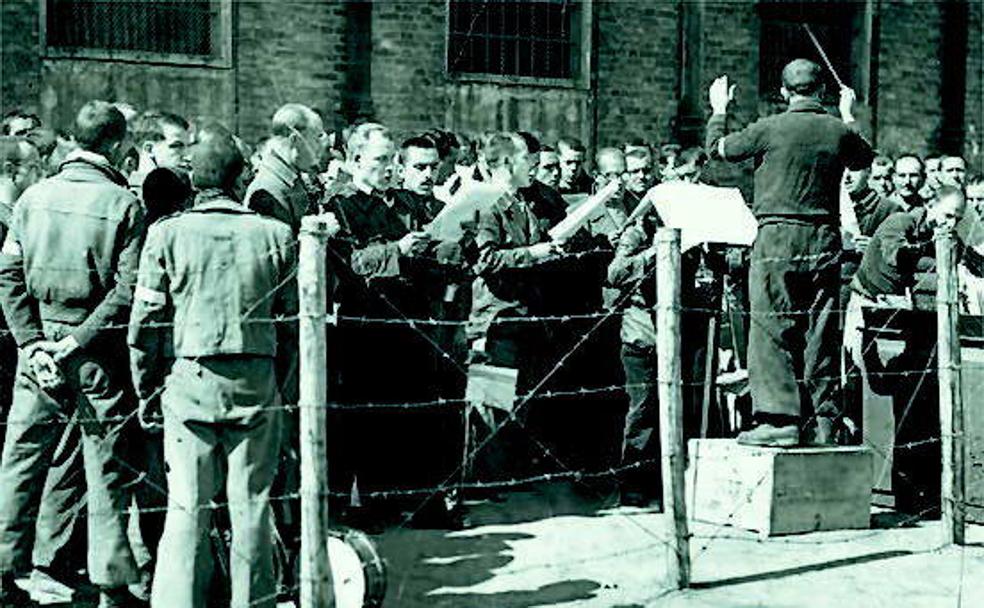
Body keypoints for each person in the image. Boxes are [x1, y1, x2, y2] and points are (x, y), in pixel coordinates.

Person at [128, 128, 297, 608]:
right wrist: (276, 381)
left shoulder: (166, 234)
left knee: (185, 512)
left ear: (192, 179)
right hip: (257, 382)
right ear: (240, 176)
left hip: (189, 384)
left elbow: (145, 323)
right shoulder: (275, 234)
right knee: (252, 509)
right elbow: (291, 326)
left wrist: (147, 388)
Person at [0, 101, 145, 607]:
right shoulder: (125, 204)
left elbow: (9, 275)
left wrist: (31, 341)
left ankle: (5, 566)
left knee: (21, 457)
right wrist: (75, 341)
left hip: (37, 345)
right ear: (115, 145)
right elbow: (127, 290)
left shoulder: (32, 198)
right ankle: (109, 580)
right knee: (103, 464)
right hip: (93, 352)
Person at [706, 59, 873, 446]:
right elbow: (863, 157)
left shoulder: (769, 128)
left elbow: (719, 150)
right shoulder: (837, 131)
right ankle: (824, 423)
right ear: (823, 93)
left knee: (770, 327)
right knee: (820, 330)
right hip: (824, 237)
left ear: (783, 92)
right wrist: (848, 115)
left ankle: (779, 421)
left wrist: (718, 110)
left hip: (777, 238)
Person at [844, 185, 966, 514]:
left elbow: (972, 261)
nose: (950, 225)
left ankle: (917, 496)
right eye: (947, 216)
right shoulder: (900, 222)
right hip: (867, 313)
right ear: (932, 206)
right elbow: (895, 255)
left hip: (900, 319)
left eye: (957, 219)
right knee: (863, 399)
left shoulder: (943, 237)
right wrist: (938, 248)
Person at [245, 103, 325, 233]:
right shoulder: (267, 189)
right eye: (317, 139)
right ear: (295, 140)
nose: (320, 148)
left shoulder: (292, 179)